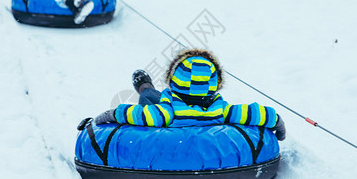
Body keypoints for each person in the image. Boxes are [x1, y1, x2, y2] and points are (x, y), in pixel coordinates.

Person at [94, 49, 286, 141]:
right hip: (203, 110)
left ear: (174, 81)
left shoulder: (167, 112)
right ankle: (147, 87)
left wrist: (110, 115)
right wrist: (278, 123)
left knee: (149, 98)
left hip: (167, 107)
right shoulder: (222, 111)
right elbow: (256, 113)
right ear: (214, 85)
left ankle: (144, 86)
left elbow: (139, 115)